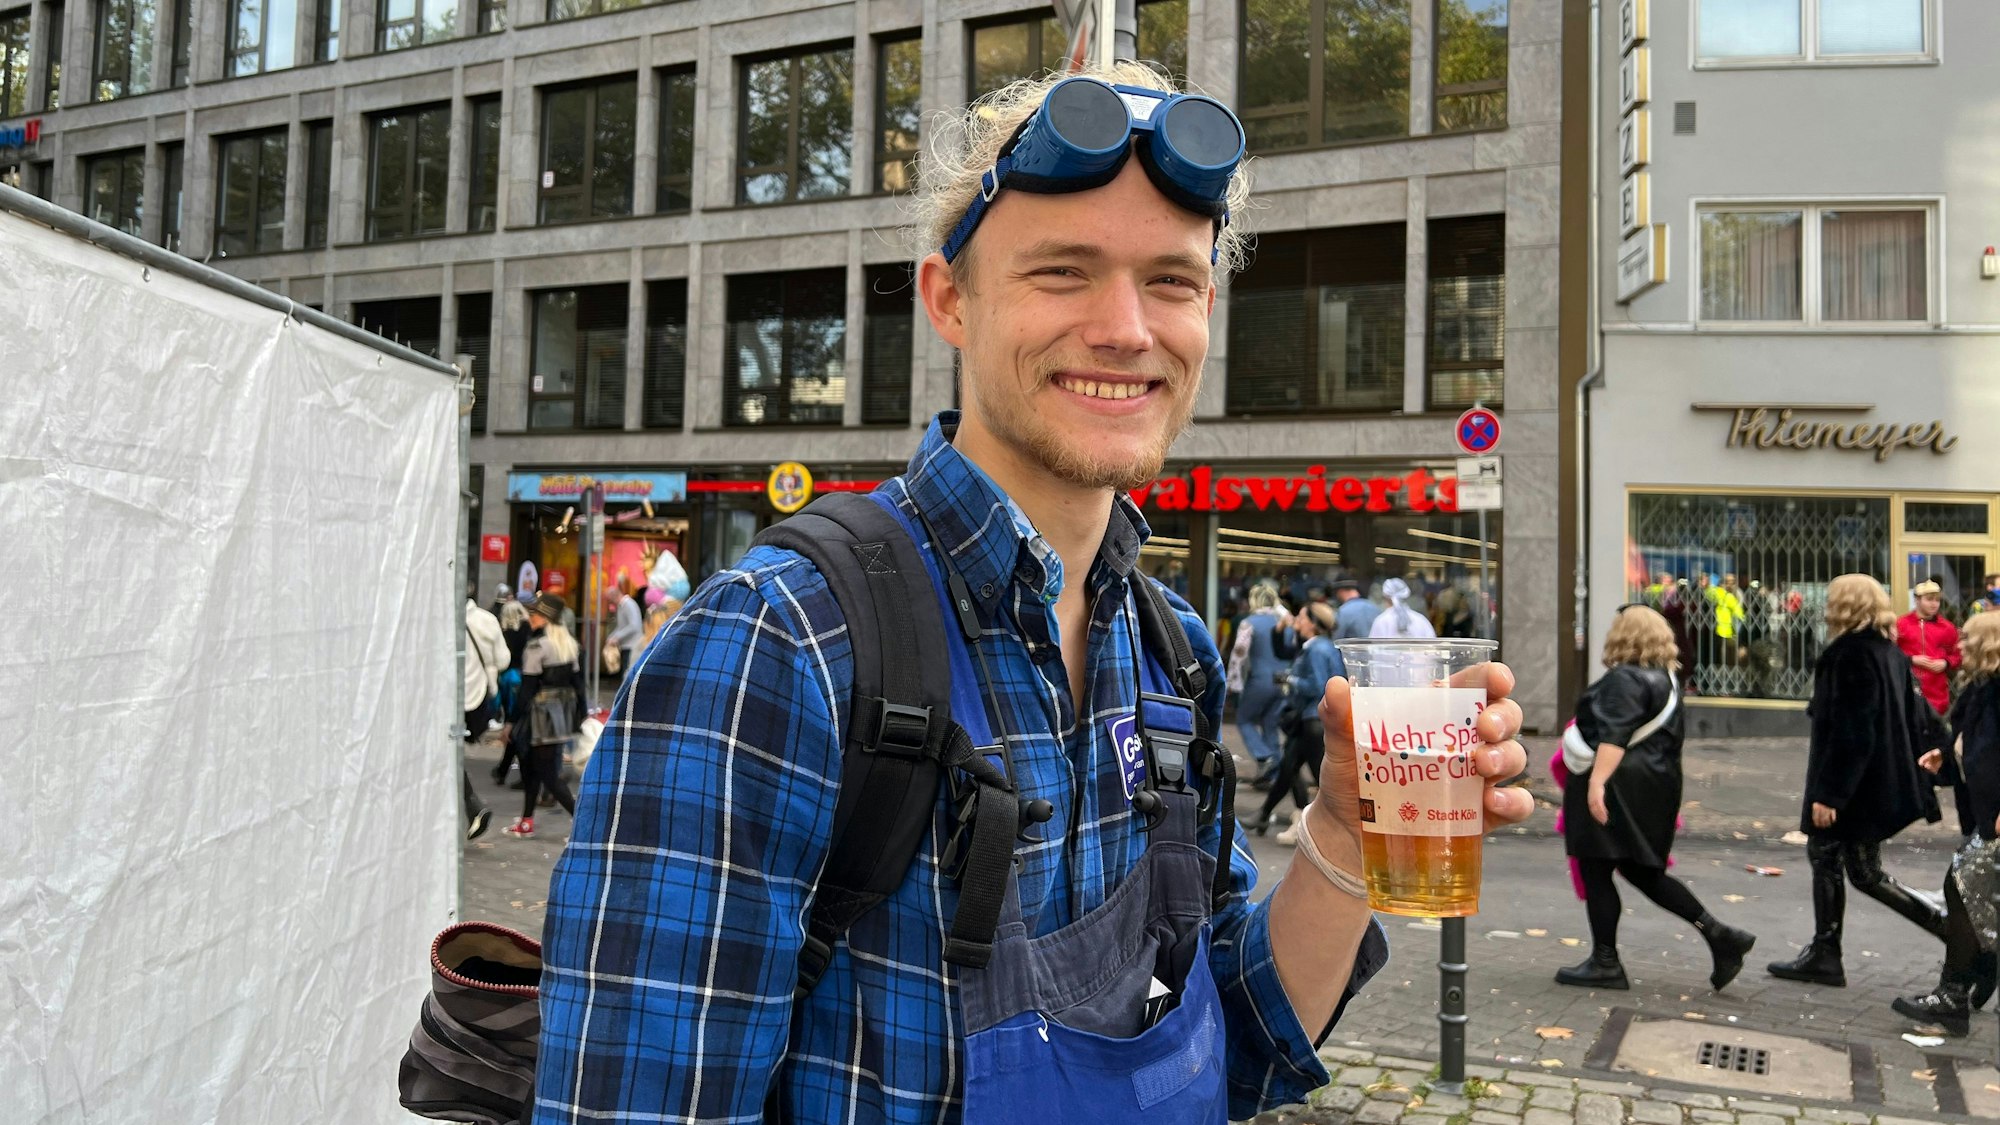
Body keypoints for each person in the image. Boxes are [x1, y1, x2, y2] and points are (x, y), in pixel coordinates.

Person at [535, 63, 1535, 1124]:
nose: (1125, 329)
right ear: (949, 300)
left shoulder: (1169, 651)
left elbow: (1237, 1043)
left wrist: (1341, 824)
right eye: (1062, 272)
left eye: (1170, 281)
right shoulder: (776, 645)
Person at [1555, 606, 1756, 991]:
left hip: (1617, 788)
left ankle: (1605, 962)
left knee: (1597, 869)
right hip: (1654, 788)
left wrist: (1596, 783)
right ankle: (1721, 936)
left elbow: (1614, 734)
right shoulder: (1666, 679)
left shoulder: (1625, 679)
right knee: (1642, 870)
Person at [1767, 574, 1946, 986]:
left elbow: (1853, 729)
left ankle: (1829, 953)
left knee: (1831, 857)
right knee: (1862, 870)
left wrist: (1830, 794)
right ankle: (1831, 950)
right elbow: (1916, 716)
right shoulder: (1889, 652)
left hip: (1855, 785)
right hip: (1878, 782)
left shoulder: (1847, 654)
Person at [1894, 611, 2000, 1034]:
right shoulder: (1980, 689)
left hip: (1995, 819)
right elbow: (1973, 750)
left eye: (1968, 639)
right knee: (1965, 890)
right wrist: (1946, 764)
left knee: (1962, 886)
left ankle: (1954, 992)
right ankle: (1973, 972)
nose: (1959, 646)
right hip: (1984, 815)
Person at [1248, 601, 1345, 843]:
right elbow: (1283, 651)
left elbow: (1318, 685)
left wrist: (1290, 679)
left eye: (1301, 617)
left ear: (1312, 623)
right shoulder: (1319, 646)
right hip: (1310, 720)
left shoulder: (1316, 650)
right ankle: (1265, 814)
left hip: (1312, 720)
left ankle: (1335, 825)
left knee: (1322, 779)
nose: (1297, 621)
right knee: (1288, 766)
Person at [502, 593, 580, 839]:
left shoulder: (537, 647)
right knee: (533, 768)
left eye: (534, 613)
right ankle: (527, 820)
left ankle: (584, 823)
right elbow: (578, 685)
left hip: (540, 715)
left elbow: (526, 690)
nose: (530, 617)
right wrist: (580, 716)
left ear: (545, 618)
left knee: (545, 772)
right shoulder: (569, 645)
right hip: (561, 712)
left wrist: (511, 722)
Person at [1899, 578, 1967, 832]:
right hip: (1910, 695)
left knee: (1935, 742)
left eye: (1937, 600)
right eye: (1928, 599)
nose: (1933, 604)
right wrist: (1913, 658)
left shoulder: (1947, 628)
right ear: (1917, 600)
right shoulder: (1902, 625)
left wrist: (1947, 664)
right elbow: (1892, 654)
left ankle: (1932, 780)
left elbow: (1957, 653)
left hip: (1936, 695)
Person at [1230, 582, 1292, 785]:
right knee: (1270, 723)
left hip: (1260, 680)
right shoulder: (1285, 621)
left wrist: (1233, 681)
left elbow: (1239, 654)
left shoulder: (1249, 623)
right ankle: (1275, 774)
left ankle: (1264, 756)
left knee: (1244, 719)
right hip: (1284, 680)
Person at [462, 595, 510, 841]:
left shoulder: (446, 621)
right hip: (481, 698)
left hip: (453, 698)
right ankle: (472, 808)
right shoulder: (487, 619)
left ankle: (473, 807)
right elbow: (503, 660)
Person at [491, 599, 532, 785]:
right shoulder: (528, 631)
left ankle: (505, 770)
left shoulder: (504, 633)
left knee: (513, 723)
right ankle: (510, 771)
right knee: (517, 725)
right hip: (522, 677)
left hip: (508, 677)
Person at [606, 572, 645, 686]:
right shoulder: (621, 606)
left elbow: (635, 625)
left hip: (632, 645)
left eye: (609, 600)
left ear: (614, 597)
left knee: (627, 673)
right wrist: (611, 637)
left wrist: (617, 637)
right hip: (626, 644)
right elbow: (621, 626)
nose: (609, 603)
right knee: (624, 673)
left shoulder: (628, 605)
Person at [1369, 577, 1437, 639]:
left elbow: (1373, 649)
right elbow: (1432, 648)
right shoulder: (1421, 620)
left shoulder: (1381, 621)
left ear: (1386, 597)